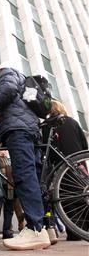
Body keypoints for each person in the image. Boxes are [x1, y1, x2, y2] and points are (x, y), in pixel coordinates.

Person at [0, 62, 51, 250]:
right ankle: (44, 229)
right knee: (32, 177)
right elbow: (18, 107)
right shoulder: (23, 81)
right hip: (29, 130)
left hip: (19, 132)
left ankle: (35, 230)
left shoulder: (8, 73)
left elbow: (7, 90)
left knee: (24, 176)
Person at [42, 99, 88, 241]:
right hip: (78, 164)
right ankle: (84, 229)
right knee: (82, 194)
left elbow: (45, 148)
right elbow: (84, 144)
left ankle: (74, 233)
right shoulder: (73, 122)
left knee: (64, 197)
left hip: (60, 165)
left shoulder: (47, 125)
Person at [0, 149, 25, 239]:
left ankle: (7, 232)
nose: (4, 151)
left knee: (9, 210)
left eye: (5, 149)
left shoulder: (8, 159)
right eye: (2, 149)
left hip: (9, 187)